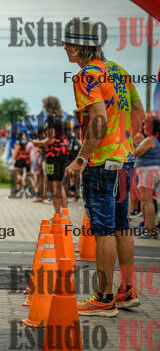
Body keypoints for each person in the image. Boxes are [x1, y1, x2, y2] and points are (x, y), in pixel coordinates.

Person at [62, 17, 144, 316]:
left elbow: (98, 120)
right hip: (125, 159)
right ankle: (127, 291)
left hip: (101, 163)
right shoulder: (118, 71)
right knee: (122, 226)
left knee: (103, 230)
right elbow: (138, 111)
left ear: (76, 47)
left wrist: (80, 160)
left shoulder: (86, 76)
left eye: (66, 45)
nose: (65, 50)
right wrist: (126, 141)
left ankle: (104, 297)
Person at [32, 96, 70, 216]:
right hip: (63, 154)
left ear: (47, 106)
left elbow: (51, 139)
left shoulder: (49, 119)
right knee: (59, 185)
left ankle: (58, 215)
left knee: (55, 186)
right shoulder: (61, 119)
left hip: (53, 156)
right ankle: (65, 215)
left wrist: (38, 143)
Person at [134, 114, 160, 239]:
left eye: (146, 124)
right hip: (147, 171)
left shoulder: (150, 139)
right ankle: (148, 228)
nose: (144, 127)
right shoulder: (152, 139)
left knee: (147, 201)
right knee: (145, 201)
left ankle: (149, 229)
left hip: (148, 171)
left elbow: (136, 152)